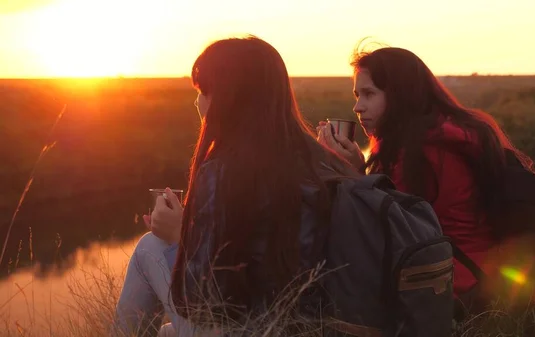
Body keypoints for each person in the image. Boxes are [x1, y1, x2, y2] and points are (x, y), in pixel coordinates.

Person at [112, 36, 358, 337]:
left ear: (229, 98)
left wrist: (179, 234)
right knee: (167, 334)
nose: (197, 101)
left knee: (149, 247)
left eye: (203, 91)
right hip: (314, 329)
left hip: (251, 329)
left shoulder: (223, 172)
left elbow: (199, 299)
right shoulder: (322, 163)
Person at [317, 46, 535, 321]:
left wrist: (348, 174)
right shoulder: (446, 135)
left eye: (369, 94)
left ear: (400, 95)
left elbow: (389, 234)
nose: (358, 107)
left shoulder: (423, 154)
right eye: (357, 95)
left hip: (454, 290)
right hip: (478, 278)